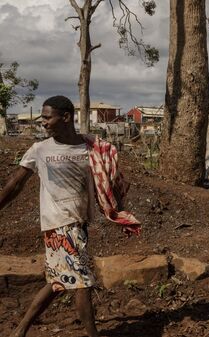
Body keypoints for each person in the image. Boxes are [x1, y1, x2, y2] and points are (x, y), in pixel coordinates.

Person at [0, 95, 140, 337]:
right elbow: (15, 184)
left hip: (79, 223)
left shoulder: (91, 148)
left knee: (59, 282)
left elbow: (110, 180)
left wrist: (118, 212)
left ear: (65, 117)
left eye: (46, 117)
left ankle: (20, 330)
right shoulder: (40, 150)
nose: (42, 122)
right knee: (82, 281)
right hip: (60, 224)